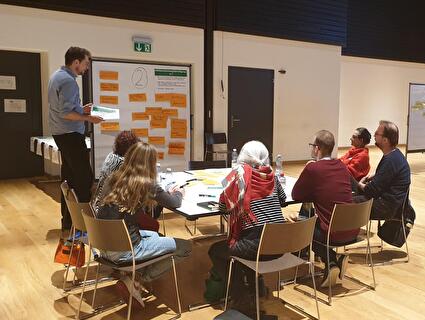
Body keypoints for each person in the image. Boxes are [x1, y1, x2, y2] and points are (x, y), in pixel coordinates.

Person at [97, 142, 191, 308]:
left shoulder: (113, 178)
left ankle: (132, 276)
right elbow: (174, 203)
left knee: (156, 236)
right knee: (185, 246)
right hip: (125, 250)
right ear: (150, 163)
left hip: (103, 245)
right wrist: (178, 192)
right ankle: (137, 280)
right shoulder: (146, 183)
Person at [208, 141, 286, 317]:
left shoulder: (239, 177)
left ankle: (242, 298)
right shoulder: (271, 176)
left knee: (217, 251)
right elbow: (282, 199)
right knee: (248, 247)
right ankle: (255, 289)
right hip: (280, 244)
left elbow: (223, 208)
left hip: (256, 246)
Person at [49, 46, 103, 232]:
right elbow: (66, 113)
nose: (87, 68)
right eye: (86, 64)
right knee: (84, 179)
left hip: (61, 133)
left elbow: (64, 108)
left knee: (69, 179)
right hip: (70, 134)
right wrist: (89, 118)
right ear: (76, 62)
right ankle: (84, 225)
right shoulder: (69, 81)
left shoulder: (57, 76)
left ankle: (68, 222)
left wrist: (81, 109)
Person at [292, 130, 356, 288]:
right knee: (312, 222)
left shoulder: (314, 169)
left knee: (303, 229)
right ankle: (334, 261)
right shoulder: (342, 166)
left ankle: (332, 259)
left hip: (333, 232)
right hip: (352, 229)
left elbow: (296, 194)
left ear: (317, 148)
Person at [355, 121, 411, 220]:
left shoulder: (391, 160)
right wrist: (377, 176)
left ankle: (347, 233)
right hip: (386, 201)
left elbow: (371, 190)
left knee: (345, 203)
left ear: (385, 140)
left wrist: (360, 185)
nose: (374, 135)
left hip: (385, 206)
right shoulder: (394, 155)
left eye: (377, 134)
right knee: (348, 186)